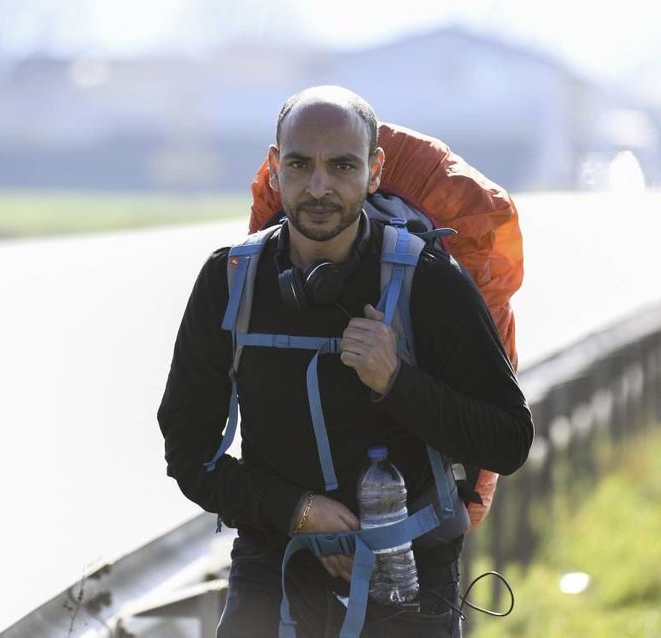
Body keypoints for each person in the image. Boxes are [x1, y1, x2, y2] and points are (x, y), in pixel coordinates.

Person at [157, 85, 534, 637]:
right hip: (274, 577)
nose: (318, 187)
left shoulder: (428, 283)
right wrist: (296, 512)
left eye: (341, 166)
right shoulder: (231, 281)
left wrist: (397, 381)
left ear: (375, 170)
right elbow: (187, 451)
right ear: (273, 166)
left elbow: (508, 440)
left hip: (406, 581)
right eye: (299, 164)